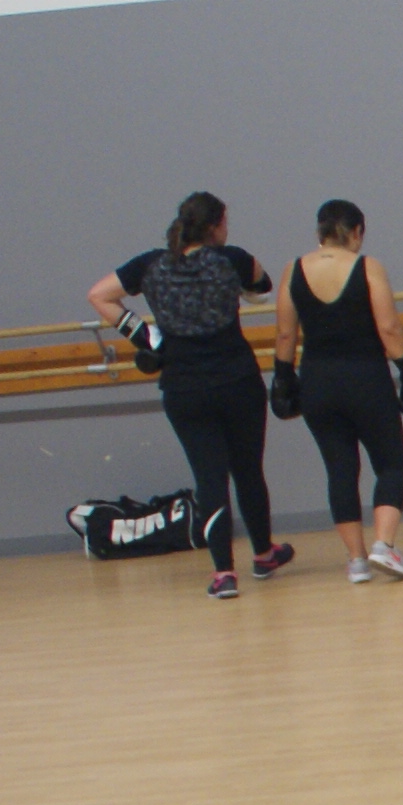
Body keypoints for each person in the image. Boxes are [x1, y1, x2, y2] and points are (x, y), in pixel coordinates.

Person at [91, 193, 288, 600]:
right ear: (215, 225)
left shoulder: (151, 265)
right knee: (248, 470)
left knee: (208, 478)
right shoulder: (231, 258)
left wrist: (145, 335)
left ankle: (222, 574)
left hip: (183, 387)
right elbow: (263, 286)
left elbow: (100, 295)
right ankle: (264, 553)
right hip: (237, 380)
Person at [272, 199, 403, 582]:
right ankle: (383, 545)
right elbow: (388, 327)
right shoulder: (367, 267)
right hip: (366, 376)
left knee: (339, 469)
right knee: (390, 462)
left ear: (319, 234)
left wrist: (283, 378)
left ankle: (356, 561)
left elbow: (286, 332)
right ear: (357, 233)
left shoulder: (293, 270)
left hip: (317, 381)